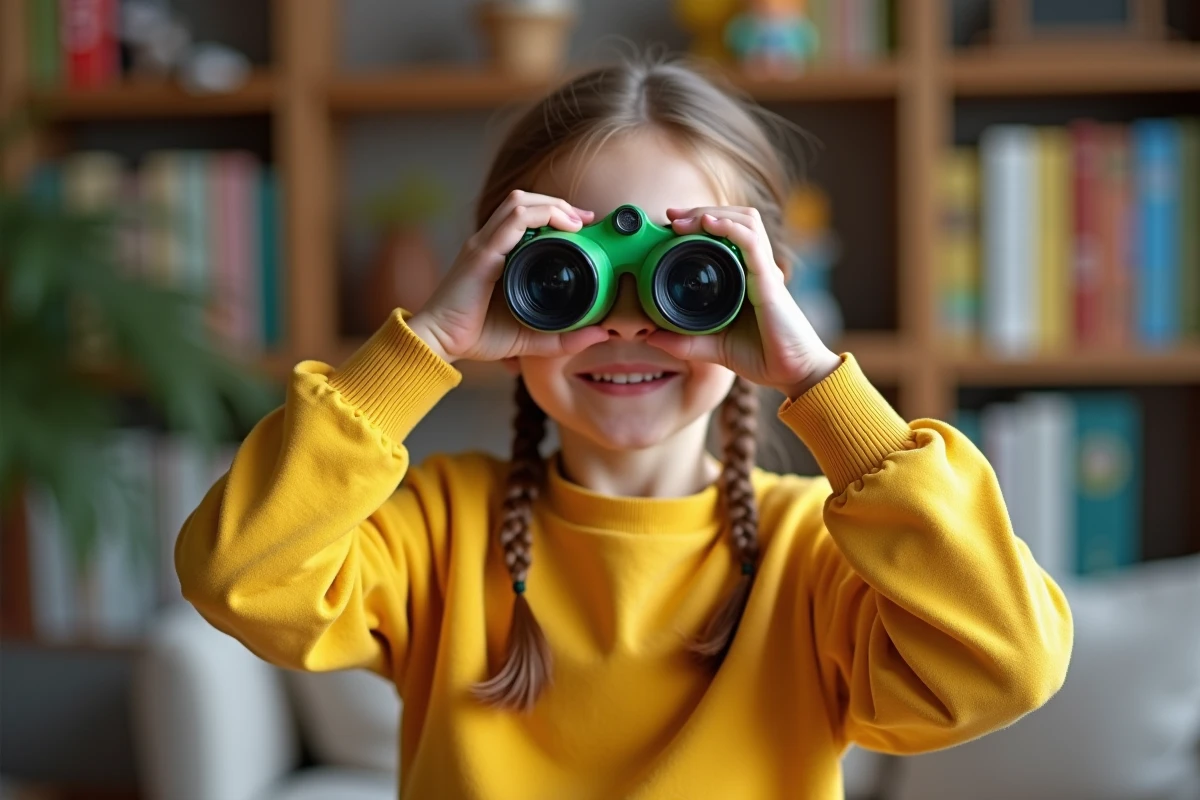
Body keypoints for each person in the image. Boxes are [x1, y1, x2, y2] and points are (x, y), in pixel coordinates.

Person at [176, 53, 1073, 799]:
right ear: (499, 283)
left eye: (690, 283)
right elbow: (238, 573)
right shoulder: (441, 535)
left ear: (766, 295)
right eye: (572, 279)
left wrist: (817, 378)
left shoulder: (814, 558)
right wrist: (426, 346)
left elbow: (1010, 663)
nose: (630, 324)